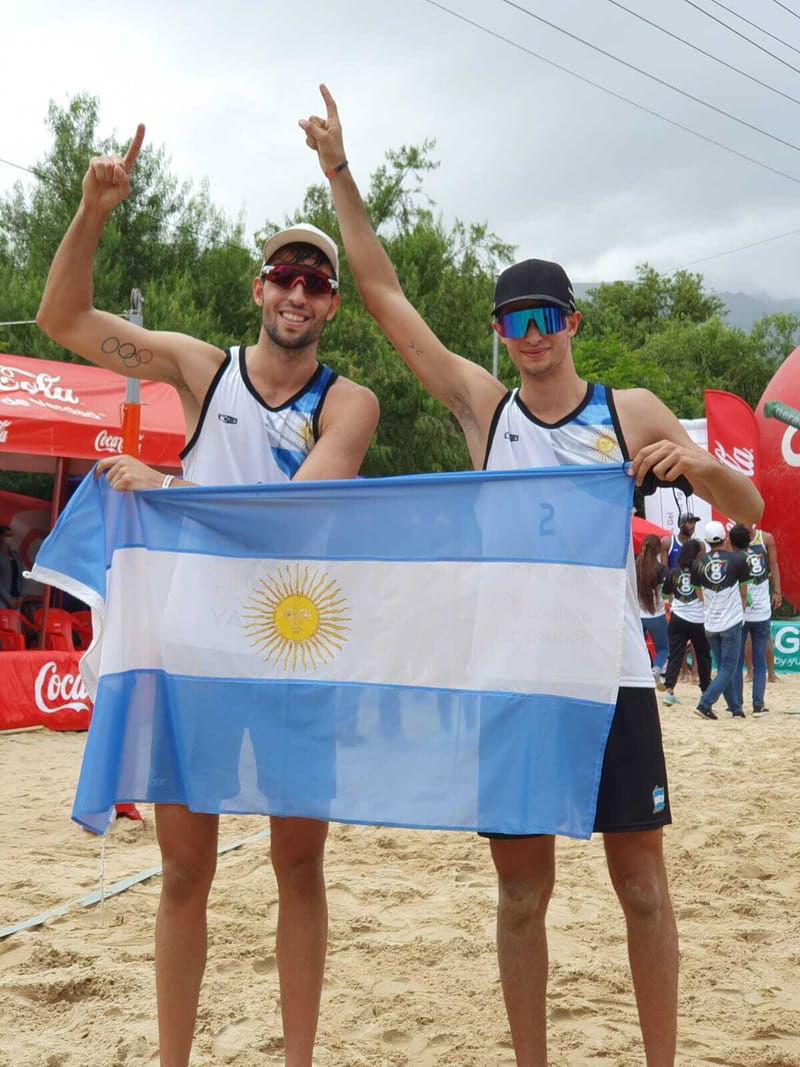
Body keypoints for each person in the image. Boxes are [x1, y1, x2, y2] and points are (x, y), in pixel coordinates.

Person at [300, 84, 763, 1067]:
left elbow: (751, 510)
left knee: (641, 888)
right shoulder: (484, 408)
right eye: (515, 318)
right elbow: (384, 298)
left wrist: (700, 466)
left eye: (546, 312)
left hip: (607, 683)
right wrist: (340, 171)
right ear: (503, 333)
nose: (532, 330)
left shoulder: (628, 408)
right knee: (521, 895)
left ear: (573, 320)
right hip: (509, 685)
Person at [36, 125, 379, 1067]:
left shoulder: (350, 403)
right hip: (190, 655)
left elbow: (291, 518)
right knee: (183, 874)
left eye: (316, 280)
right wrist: (91, 211)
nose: (299, 290)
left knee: (298, 867)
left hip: (290, 654)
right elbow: (61, 319)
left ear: (332, 305)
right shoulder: (202, 366)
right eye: (285, 273)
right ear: (259, 287)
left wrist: (171, 490)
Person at [691, 521, 749, 721]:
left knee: (723, 667)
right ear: (725, 538)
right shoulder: (738, 559)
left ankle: (735, 709)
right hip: (731, 621)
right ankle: (705, 703)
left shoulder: (697, 564)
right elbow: (743, 592)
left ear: (706, 541)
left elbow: (699, 595)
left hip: (710, 622)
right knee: (729, 668)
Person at [729, 524, 774, 715]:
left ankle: (737, 704)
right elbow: (772, 570)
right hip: (762, 611)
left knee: (737, 660)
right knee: (759, 660)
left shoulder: (733, 560)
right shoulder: (761, 554)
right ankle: (758, 704)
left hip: (740, 613)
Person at [661, 539, 711, 706]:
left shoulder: (673, 572)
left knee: (675, 653)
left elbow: (665, 594)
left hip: (678, 617)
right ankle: (705, 691)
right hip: (698, 619)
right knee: (703, 655)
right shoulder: (703, 571)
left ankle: (669, 690)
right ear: (696, 554)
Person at [741, 525, 783, 685]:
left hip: (761, 594)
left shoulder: (765, 538)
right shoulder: (736, 538)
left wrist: (777, 591)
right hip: (744, 595)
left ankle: (771, 673)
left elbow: (773, 564)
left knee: (765, 636)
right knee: (747, 637)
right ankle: (750, 672)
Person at [637, 534, 669, 688]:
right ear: (658, 550)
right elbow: (667, 592)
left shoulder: (635, 567)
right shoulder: (660, 570)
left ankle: (640, 673)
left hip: (638, 615)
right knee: (663, 648)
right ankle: (655, 670)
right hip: (656, 614)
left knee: (639, 647)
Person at [0, 525, 23, 610]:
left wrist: (21, 596)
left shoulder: (15, 554)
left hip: (16, 598)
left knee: (14, 622)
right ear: (1, 537)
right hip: (3, 600)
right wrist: (8, 599)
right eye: (7, 535)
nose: (10, 538)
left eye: (11, 535)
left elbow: (21, 575)